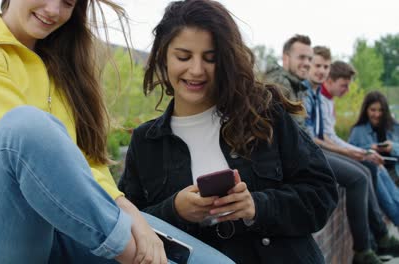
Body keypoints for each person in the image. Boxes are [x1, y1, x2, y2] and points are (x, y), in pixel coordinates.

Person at [0, 0, 234, 263]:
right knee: (27, 125)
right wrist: (131, 241)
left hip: (68, 216)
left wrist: (134, 217)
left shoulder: (63, 73)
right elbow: (30, 147)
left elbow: (86, 162)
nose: (54, 10)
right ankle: (133, 255)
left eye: (67, 2)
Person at [118, 0, 338, 263]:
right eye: (183, 56)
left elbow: (322, 194)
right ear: (163, 58)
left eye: (211, 58)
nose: (196, 70)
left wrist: (256, 206)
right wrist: (175, 210)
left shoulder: (265, 113)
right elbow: (128, 227)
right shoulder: (146, 143)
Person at [303, 47, 399, 263]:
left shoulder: (320, 97)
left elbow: (328, 137)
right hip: (312, 154)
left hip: (318, 149)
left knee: (368, 168)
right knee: (362, 173)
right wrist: (358, 152)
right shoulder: (311, 95)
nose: (346, 90)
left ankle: (379, 239)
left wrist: (361, 152)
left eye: (325, 67)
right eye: (317, 65)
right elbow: (321, 139)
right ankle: (367, 246)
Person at [265, 34, 312, 129]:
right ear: (285, 59)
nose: (307, 63)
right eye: (301, 57)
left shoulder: (295, 86)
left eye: (310, 59)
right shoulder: (279, 84)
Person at [349, 91, 399, 182]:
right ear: (366, 110)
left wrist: (393, 148)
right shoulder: (357, 131)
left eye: (381, 110)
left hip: (395, 172)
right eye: (373, 110)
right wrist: (371, 148)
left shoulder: (395, 127)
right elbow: (350, 153)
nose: (377, 114)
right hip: (374, 175)